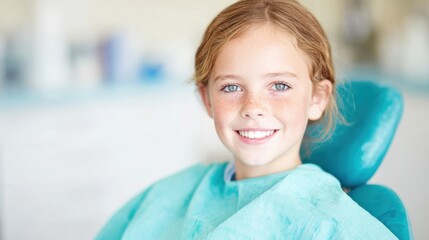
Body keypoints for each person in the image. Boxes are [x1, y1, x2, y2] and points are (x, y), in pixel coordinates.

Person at [96, 0, 398, 239]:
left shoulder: (330, 225)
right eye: (231, 87)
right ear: (207, 100)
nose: (253, 107)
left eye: (279, 86)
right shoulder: (170, 195)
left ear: (317, 99)